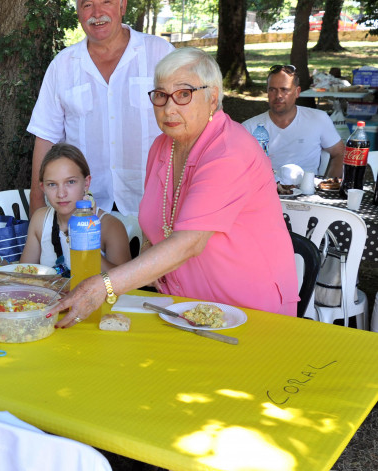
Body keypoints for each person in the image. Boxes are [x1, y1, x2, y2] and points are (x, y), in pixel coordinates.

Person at [47, 47, 299, 328]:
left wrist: (104, 286)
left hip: (247, 311)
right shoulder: (162, 145)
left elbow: (189, 242)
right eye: (161, 95)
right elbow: (152, 228)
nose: (169, 108)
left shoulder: (229, 151)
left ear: (212, 97)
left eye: (183, 94)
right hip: (179, 307)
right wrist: (141, 276)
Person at [27, 0, 174, 217]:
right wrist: (37, 214)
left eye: (106, 2)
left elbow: (186, 122)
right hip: (85, 210)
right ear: (78, 11)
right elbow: (45, 137)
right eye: (87, 5)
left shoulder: (160, 53)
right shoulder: (63, 65)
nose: (97, 13)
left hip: (155, 202)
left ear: (122, 5)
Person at [0, 144, 130, 272]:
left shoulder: (110, 227)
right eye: (52, 184)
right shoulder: (40, 220)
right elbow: (25, 274)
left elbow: (127, 284)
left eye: (70, 182)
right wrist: (0, 262)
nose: (61, 193)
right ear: (43, 187)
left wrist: (86, 245)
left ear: (86, 183)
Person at [241, 64, 344, 178]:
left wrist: (330, 185)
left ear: (297, 92)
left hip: (308, 191)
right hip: (266, 191)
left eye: (284, 90)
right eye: (272, 90)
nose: (278, 95)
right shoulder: (249, 128)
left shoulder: (318, 119)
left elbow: (339, 153)